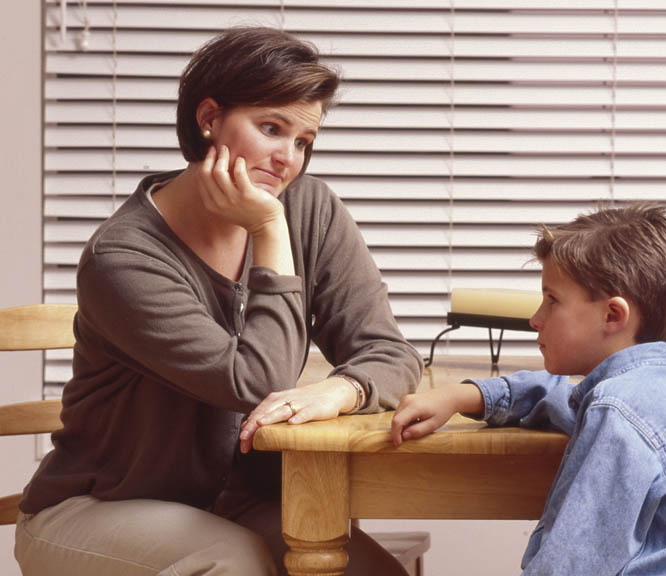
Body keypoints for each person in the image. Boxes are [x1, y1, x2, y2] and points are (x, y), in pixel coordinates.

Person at [15, 27, 422, 576]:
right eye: (271, 128)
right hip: (97, 508)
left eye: (303, 141)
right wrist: (270, 232)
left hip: (234, 502)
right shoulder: (123, 256)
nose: (288, 159)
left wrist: (343, 389)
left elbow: (390, 353)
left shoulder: (312, 210)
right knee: (237, 565)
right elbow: (254, 381)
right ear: (209, 118)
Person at [391, 204, 666, 575]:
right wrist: (462, 395)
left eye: (553, 301)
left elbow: (568, 568)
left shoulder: (619, 414)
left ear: (613, 315)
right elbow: (556, 394)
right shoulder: (658, 390)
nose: (535, 319)